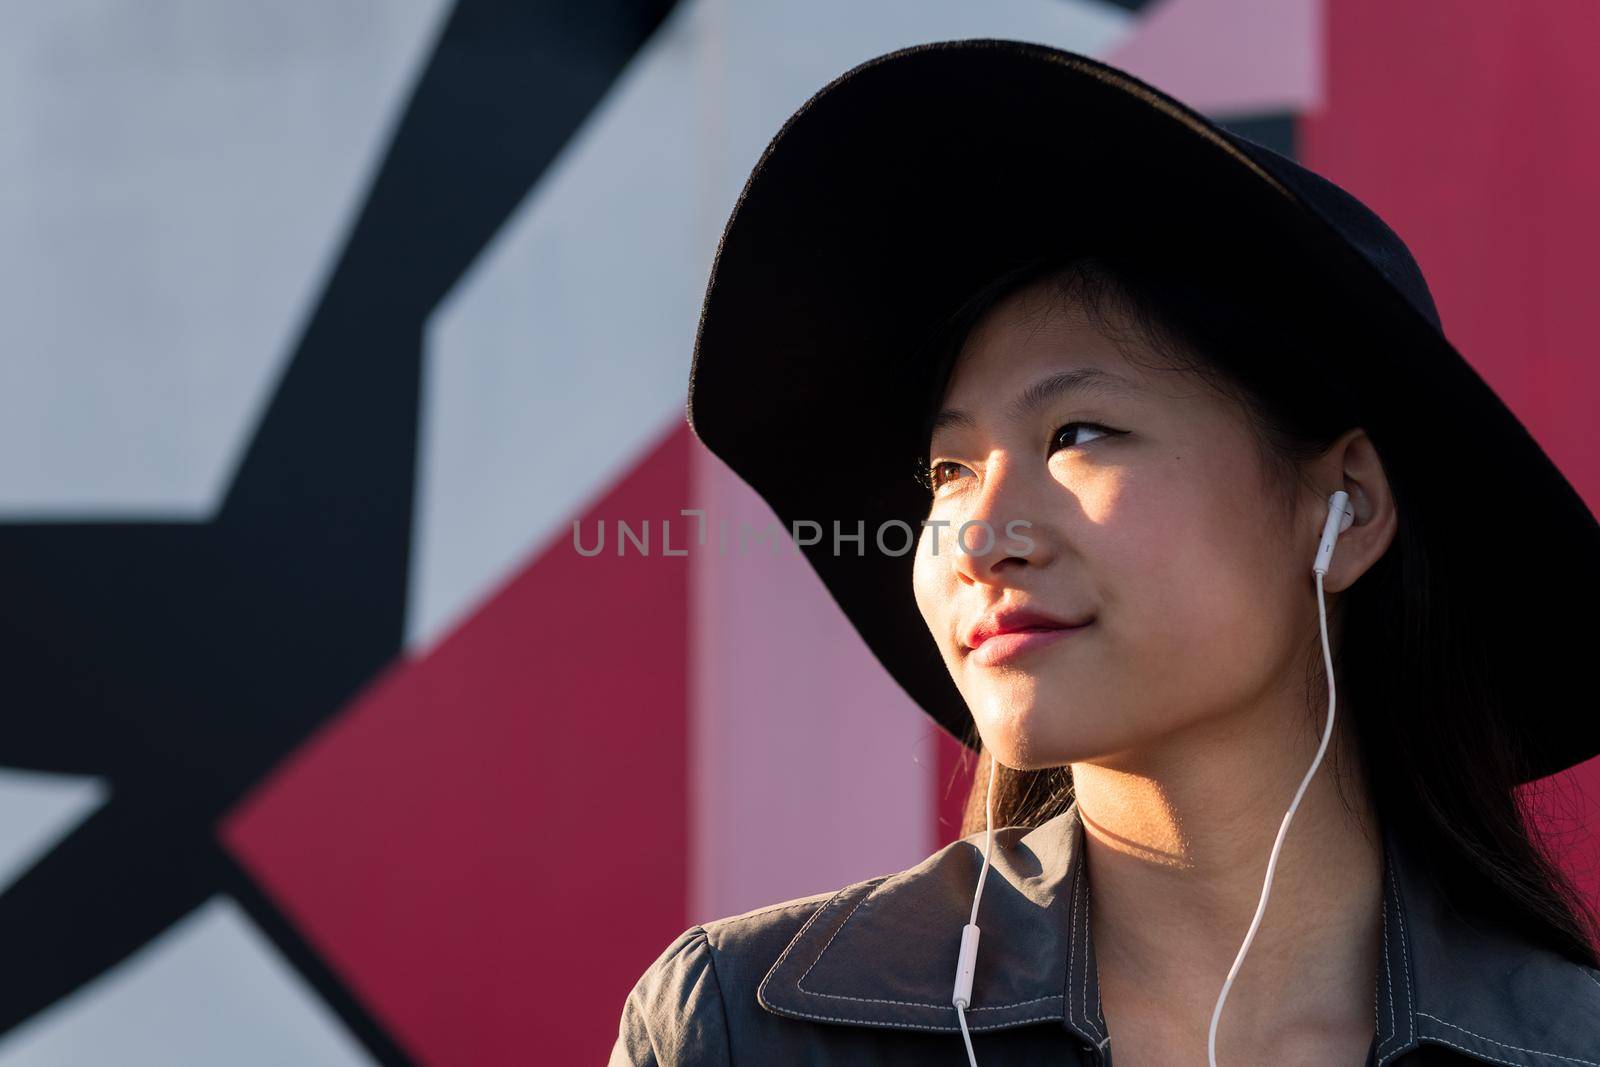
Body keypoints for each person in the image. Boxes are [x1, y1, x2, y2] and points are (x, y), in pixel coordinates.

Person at [609, 39, 1600, 1066]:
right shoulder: (749, 1029)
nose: (981, 538)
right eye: (947, 471)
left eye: (1075, 434)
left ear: (1343, 504)